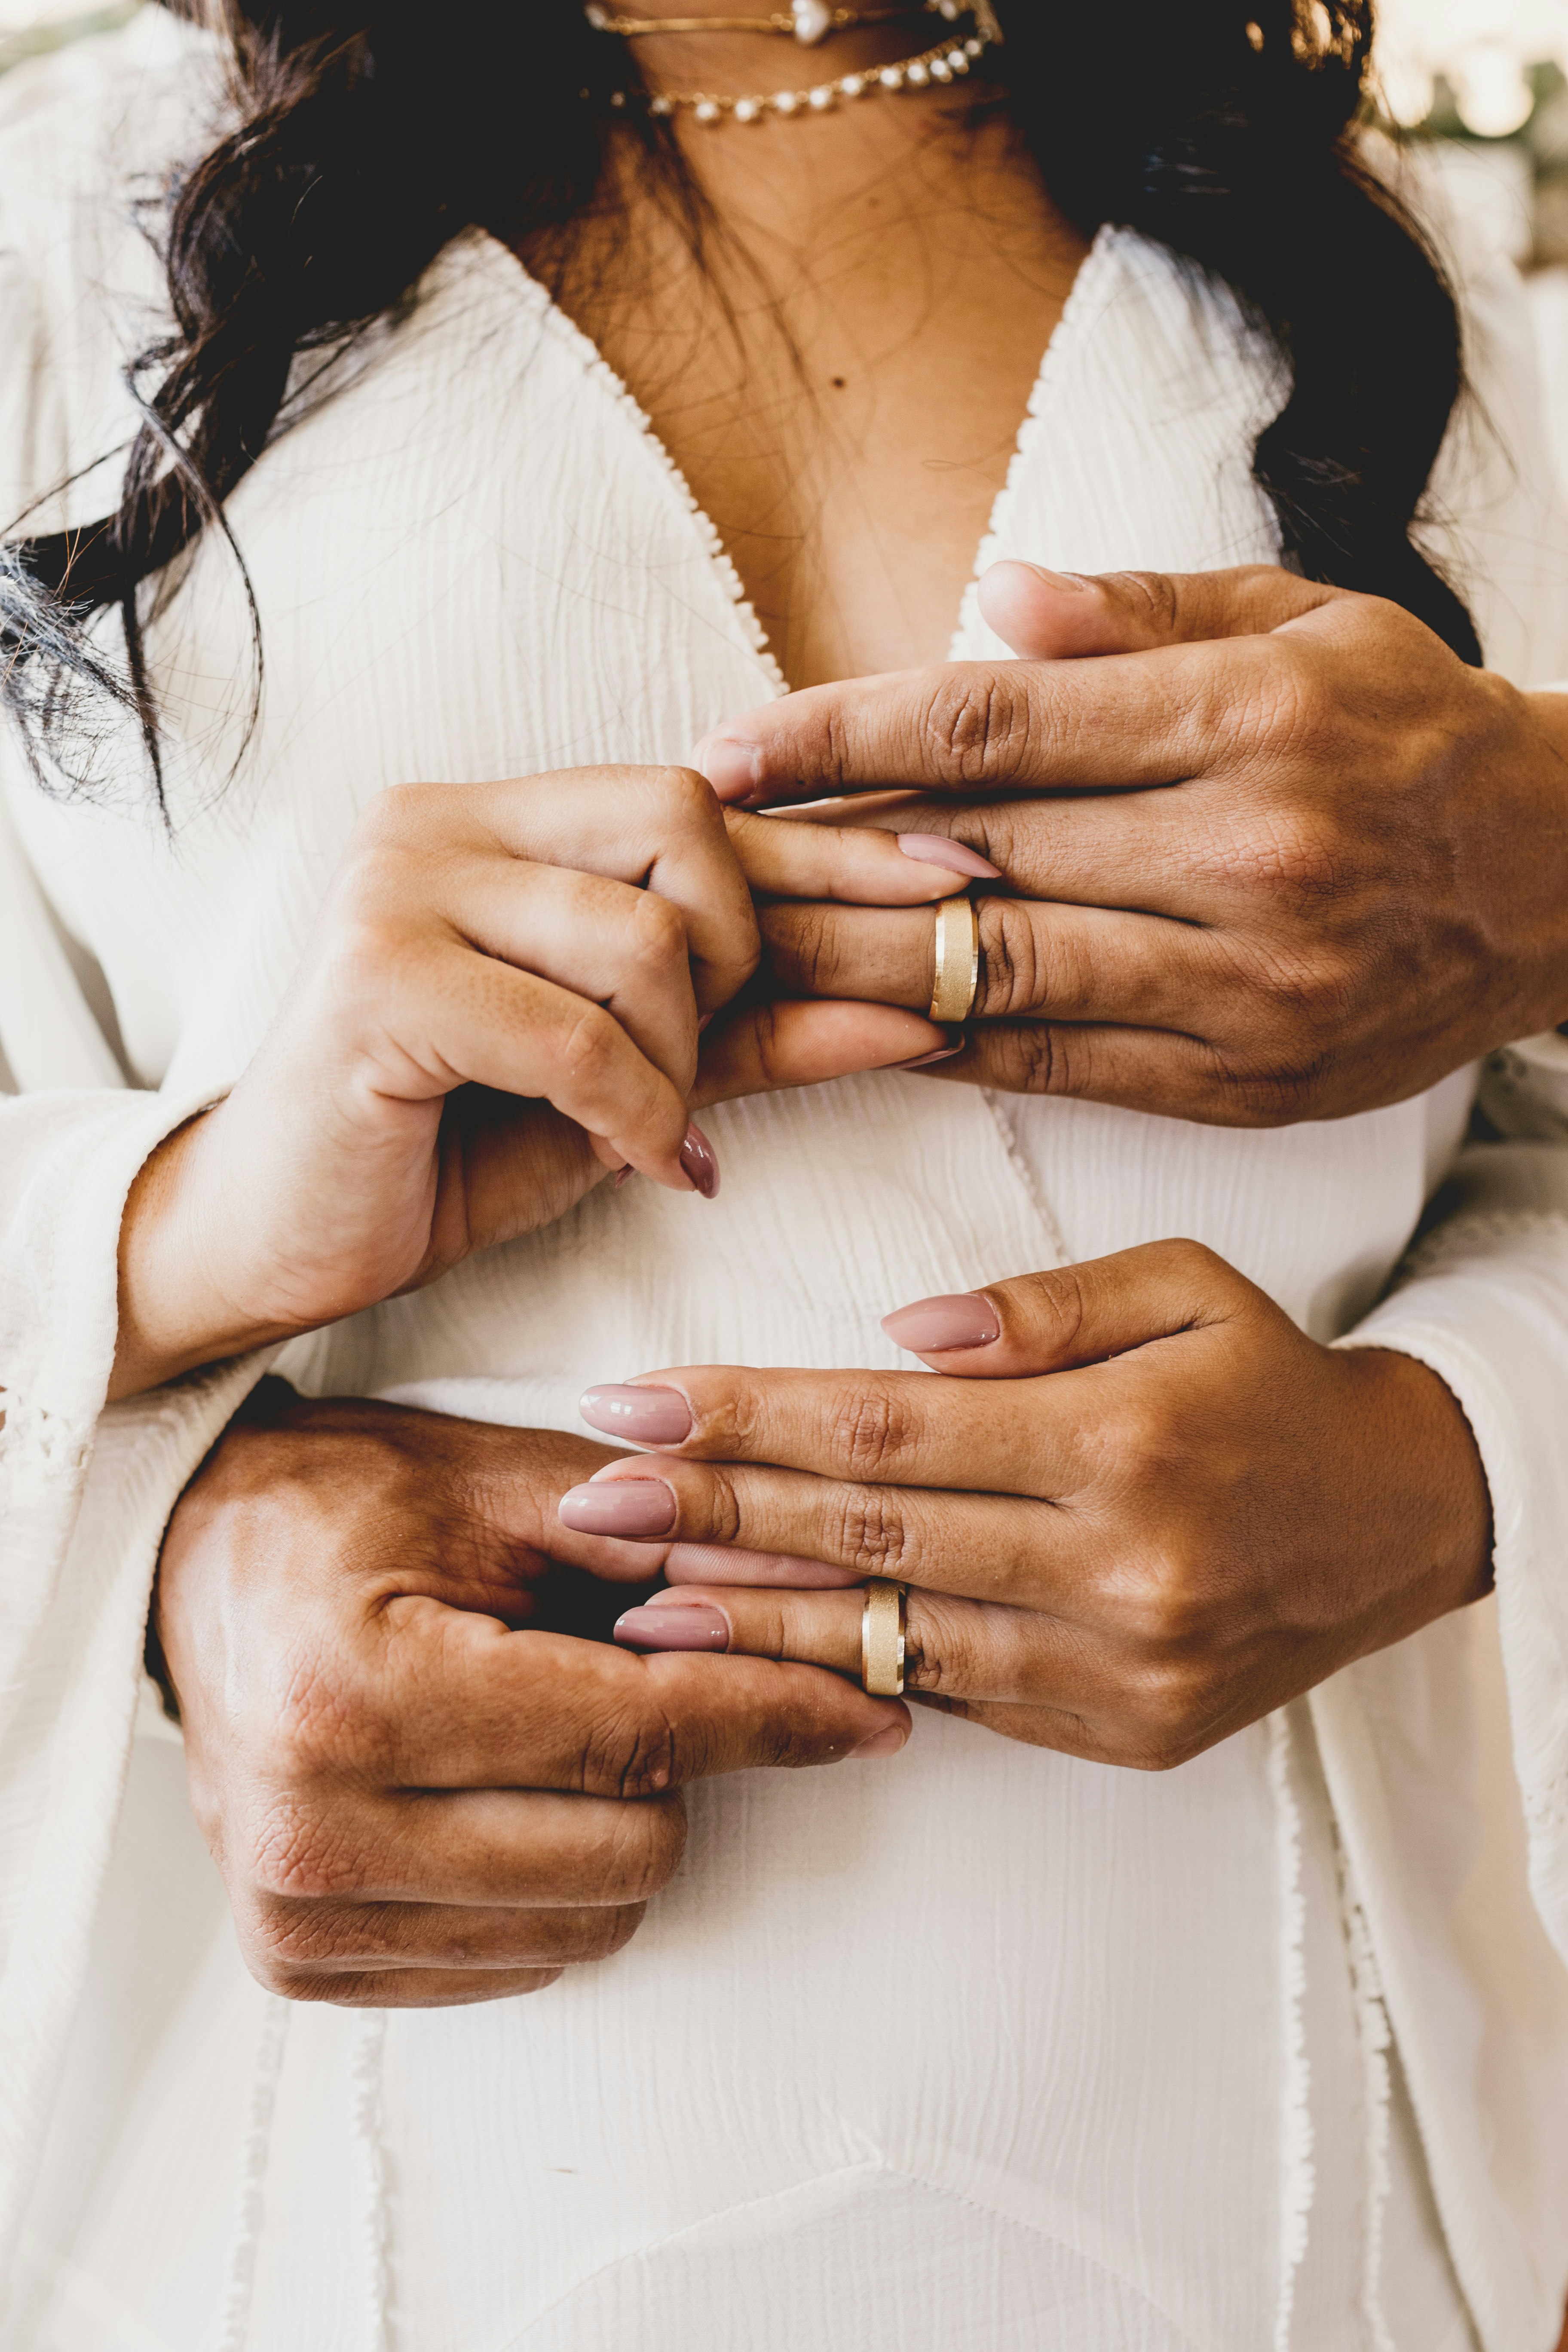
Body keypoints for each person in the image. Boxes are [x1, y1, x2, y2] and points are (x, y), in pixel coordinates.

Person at [3, 3, 1568, 2347]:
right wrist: (175, 1455)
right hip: (350, 2224)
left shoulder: (1393, 276)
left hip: (1274, 2207)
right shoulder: (56, 242)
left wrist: (1452, 1464)